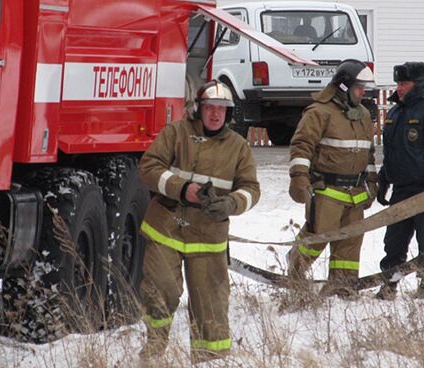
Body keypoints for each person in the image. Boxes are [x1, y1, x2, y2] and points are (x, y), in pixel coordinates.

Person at [137, 80, 260, 364]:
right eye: (209, 108)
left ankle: (211, 359)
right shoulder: (176, 133)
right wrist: (182, 189)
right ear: (198, 110)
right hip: (165, 227)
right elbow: (149, 168)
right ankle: (153, 352)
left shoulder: (238, 147)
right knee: (161, 289)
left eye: (221, 109)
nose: (215, 114)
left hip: (208, 235)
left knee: (211, 306)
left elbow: (251, 189)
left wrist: (232, 203)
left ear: (228, 114)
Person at [288, 59, 378, 298]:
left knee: (350, 242)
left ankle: (343, 286)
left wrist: (371, 181)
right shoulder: (319, 112)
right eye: (359, 88)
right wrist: (299, 178)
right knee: (318, 236)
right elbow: (301, 146)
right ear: (344, 87)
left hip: (356, 193)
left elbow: (368, 152)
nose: (363, 93)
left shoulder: (364, 115)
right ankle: (295, 276)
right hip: (327, 190)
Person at [375, 62, 424, 300]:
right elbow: (391, 153)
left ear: (418, 84)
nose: (399, 88)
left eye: (404, 83)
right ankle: (389, 285)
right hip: (401, 189)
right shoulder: (395, 113)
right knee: (394, 242)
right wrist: (384, 179)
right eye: (398, 83)